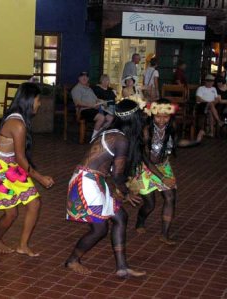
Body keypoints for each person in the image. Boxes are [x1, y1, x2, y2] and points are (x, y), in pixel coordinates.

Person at [65, 99, 146, 278]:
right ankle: (72, 260)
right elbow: (117, 175)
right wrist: (125, 192)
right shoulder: (121, 139)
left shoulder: (112, 132)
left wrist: (122, 189)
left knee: (120, 216)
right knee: (99, 230)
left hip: (92, 180)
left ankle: (122, 267)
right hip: (86, 182)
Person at [0, 82, 54, 257]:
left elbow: (18, 159)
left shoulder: (20, 119)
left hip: (11, 166)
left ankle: (22, 245)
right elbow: (21, 158)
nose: (39, 104)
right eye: (38, 100)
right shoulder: (17, 124)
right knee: (11, 214)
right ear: (30, 100)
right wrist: (40, 178)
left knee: (35, 203)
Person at [129, 99, 178, 245]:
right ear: (152, 115)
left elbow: (176, 143)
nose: (162, 120)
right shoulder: (145, 130)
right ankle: (140, 221)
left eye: (165, 116)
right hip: (144, 167)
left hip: (163, 165)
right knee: (150, 204)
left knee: (170, 197)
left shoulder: (172, 126)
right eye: (158, 116)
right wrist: (162, 177)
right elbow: (145, 158)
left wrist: (196, 141)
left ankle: (164, 234)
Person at [71, 71, 106, 140]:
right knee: (101, 117)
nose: (85, 78)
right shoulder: (76, 89)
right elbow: (77, 103)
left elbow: (96, 99)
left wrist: (101, 102)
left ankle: (99, 134)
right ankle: (94, 138)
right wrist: (92, 105)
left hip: (93, 109)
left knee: (110, 117)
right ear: (79, 78)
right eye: (82, 76)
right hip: (83, 110)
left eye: (86, 76)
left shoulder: (89, 89)